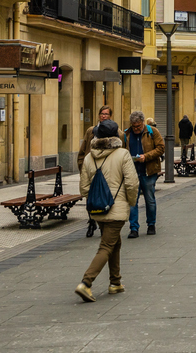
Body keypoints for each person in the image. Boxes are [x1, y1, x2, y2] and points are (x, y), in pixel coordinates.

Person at [75, 119, 138, 302]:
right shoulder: (122, 154)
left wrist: (94, 201)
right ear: (116, 136)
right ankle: (86, 283)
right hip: (116, 208)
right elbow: (132, 183)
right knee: (106, 246)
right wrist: (130, 202)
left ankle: (115, 282)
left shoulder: (88, 157)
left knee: (113, 242)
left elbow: (84, 187)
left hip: (98, 209)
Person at [125, 113, 163, 237]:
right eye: (134, 126)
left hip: (148, 171)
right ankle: (134, 228)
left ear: (143, 123)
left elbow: (161, 148)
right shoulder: (126, 134)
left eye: (139, 126)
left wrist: (146, 156)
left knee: (150, 199)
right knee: (132, 201)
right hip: (132, 172)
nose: (136, 128)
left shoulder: (152, 132)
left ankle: (151, 224)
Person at [78, 105, 115, 237]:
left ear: (110, 116)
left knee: (103, 196)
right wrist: (82, 167)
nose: (103, 116)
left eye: (106, 114)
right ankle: (92, 221)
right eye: (102, 114)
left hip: (106, 171)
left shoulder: (116, 131)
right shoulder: (91, 131)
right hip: (90, 169)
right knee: (90, 198)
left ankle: (101, 222)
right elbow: (82, 151)